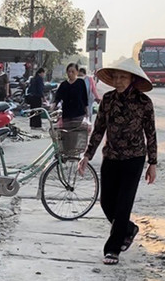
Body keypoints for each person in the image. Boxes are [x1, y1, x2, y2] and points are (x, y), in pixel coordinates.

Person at [78, 59, 157, 265]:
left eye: (124, 77)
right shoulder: (108, 99)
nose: (119, 81)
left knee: (123, 204)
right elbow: (99, 129)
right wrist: (87, 155)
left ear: (132, 79)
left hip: (134, 158)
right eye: (116, 77)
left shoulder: (144, 103)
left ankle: (112, 249)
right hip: (111, 156)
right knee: (107, 203)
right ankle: (128, 229)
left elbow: (151, 134)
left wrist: (153, 163)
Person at [52, 63, 90, 132]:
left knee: (77, 135)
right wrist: (53, 105)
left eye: (73, 71)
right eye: (69, 71)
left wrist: (87, 111)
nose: (70, 73)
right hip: (67, 114)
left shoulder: (80, 82)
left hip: (79, 114)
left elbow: (84, 98)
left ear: (77, 72)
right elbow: (58, 97)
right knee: (68, 135)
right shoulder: (63, 84)